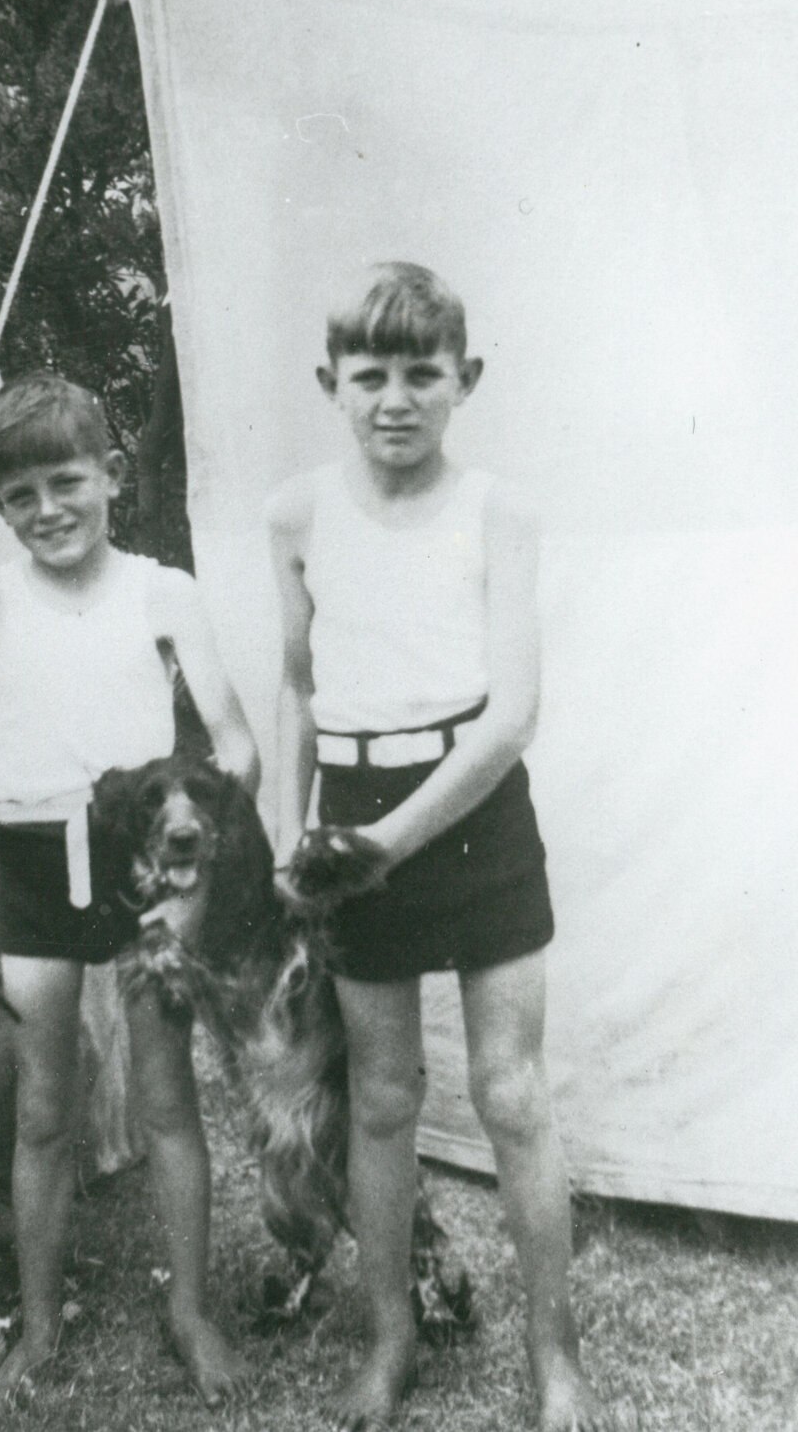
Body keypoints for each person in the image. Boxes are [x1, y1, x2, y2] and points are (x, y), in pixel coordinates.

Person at [267, 263, 610, 1432]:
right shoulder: (298, 513)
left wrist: (388, 841)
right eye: (369, 375)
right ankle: (388, 1343)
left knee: (513, 1093)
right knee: (383, 1096)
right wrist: (293, 828)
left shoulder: (498, 511)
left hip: (471, 808)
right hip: (352, 802)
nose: (395, 398)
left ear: (465, 381)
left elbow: (512, 712)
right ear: (332, 383)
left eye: (423, 373)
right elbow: (299, 683)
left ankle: (553, 1359)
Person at [0, 370, 258, 1417]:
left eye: (66, 481)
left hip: (138, 868)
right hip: (31, 872)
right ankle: (37, 1332)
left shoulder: (163, 590)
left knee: (167, 1101)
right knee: (43, 1113)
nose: (47, 509)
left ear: (111, 475)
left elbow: (236, 745)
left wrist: (191, 878)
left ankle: (191, 1312)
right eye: (20, 494)